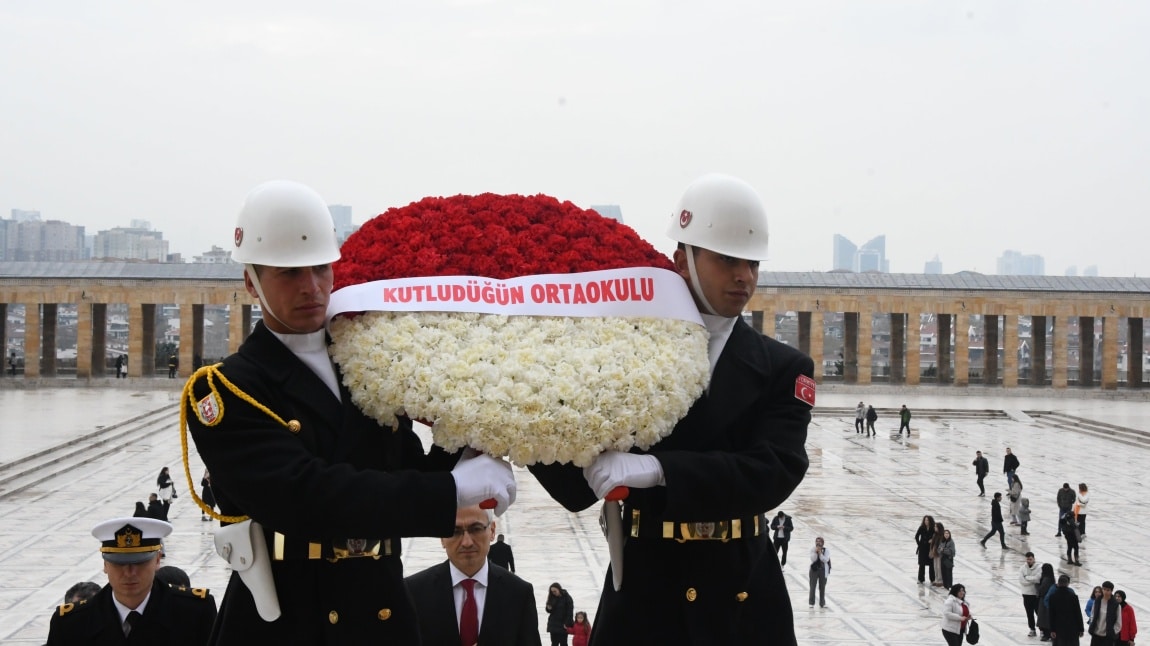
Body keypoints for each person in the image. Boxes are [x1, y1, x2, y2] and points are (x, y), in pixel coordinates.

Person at [183, 180, 516, 643]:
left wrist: (471, 435)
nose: (311, 287)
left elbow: (404, 469)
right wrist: (451, 488)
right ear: (250, 281)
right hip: (289, 622)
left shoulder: (363, 365)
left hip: (381, 615)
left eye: (321, 268)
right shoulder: (226, 390)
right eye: (289, 273)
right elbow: (308, 497)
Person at [528, 173, 814, 645]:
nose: (744, 277)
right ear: (683, 261)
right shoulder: (623, 354)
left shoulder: (784, 368)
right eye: (727, 260)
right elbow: (577, 486)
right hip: (646, 592)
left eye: (753, 263)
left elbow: (773, 470)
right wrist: (514, 427)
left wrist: (659, 469)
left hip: (739, 597)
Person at [46, 517, 216, 645]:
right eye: (119, 563)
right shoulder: (72, 623)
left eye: (139, 562)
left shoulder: (195, 612)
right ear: (105, 564)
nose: (129, 573)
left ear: (157, 560)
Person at [404, 504, 541, 646]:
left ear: (492, 531)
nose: (467, 542)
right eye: (455, 532)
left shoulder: (518, 593)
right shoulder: (414, 592)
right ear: (442, 538)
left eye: (475, 529)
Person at [1047, 573, 1084, 646]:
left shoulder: (1053, 597)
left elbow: (1051, 615)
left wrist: (1052, 630)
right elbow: (1078, 613)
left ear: (1058, 584)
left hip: (1058, 629)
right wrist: (1081, 629)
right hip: (1073, 628)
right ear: (1067, 584)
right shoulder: (1073, 597)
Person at [1020, 552, 1043, 637]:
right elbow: (1021, 581)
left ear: (1033, 559)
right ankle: (1032, 629)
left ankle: (1042, 629)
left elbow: (1037, 579)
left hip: (1035, 594)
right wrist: (1031, 580)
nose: (1028, 561)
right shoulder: (1022, 568)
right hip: (1026, 594)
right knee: (1029, 613)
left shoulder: (1039, 568)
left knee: (1038, 613)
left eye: (1030, 559)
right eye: (1027, 559)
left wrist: (1027, 578)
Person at [1037, 563, 1057, 641]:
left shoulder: (1046, 579)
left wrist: (1038, 588)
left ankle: (1046, 635)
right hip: (1049, 601)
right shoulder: (1051, 578)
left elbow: (1042, 590)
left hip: (1044, 601)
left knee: (1044, 618)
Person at [808, 536, 830, 608]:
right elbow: (813, 559)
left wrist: (820, 553)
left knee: (822, 587)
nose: (818, 543)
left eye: (819, 541)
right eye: (817, 541)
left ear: (822, 543)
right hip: (814, 570)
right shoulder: (813, 549)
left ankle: (822, 603)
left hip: (823, 570)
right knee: (812, 586)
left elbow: (825, 560)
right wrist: (816, 552)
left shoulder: (826, 550)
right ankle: (811, 602)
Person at [916, 515, 937, 584]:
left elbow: (937, 536)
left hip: (930, 548)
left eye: (927, 520)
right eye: (925, 520)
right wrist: (919, 544)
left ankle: (932, 579)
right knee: (922, 564)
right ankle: (920, 579)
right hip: (922, 549)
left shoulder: (933, 528)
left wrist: (933, 540)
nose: (926, 522)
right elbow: (916, 536)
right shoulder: (922, 527)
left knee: (931, 564)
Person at [930, 522, 947, 587]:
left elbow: (942, 545)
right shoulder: (935, 535)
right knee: (935, 567)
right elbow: (933, 543)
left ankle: (940, 580)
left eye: (936, 527)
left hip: (939, 554)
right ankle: (936, 579)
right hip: (935, 553)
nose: (934, 528)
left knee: (939, 567)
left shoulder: (942, 535)